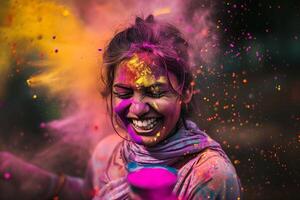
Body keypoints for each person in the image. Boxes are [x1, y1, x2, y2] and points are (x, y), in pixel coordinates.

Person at [0, 15, 241, 200]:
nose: (137, 109)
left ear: (186, 92)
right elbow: (91, 193)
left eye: (155, 92)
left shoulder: (210, 175)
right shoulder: (108, 153)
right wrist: (40, 181)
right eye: (124, 93)